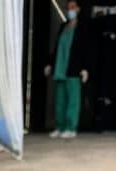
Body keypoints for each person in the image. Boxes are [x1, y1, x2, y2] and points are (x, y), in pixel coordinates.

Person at [45, 1, 91, 139]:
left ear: (78, 9)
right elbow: (57, 47)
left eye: (72, 8)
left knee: (72, 100)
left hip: (74, 69)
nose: (69, 10)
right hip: (60, 68)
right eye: (68, 8)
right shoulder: (63, 27)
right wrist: (50, 64)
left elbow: (86, 50)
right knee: (59, 100)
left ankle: (71, 127)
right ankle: (59, 126)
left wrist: (85, 68)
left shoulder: (83, 28)